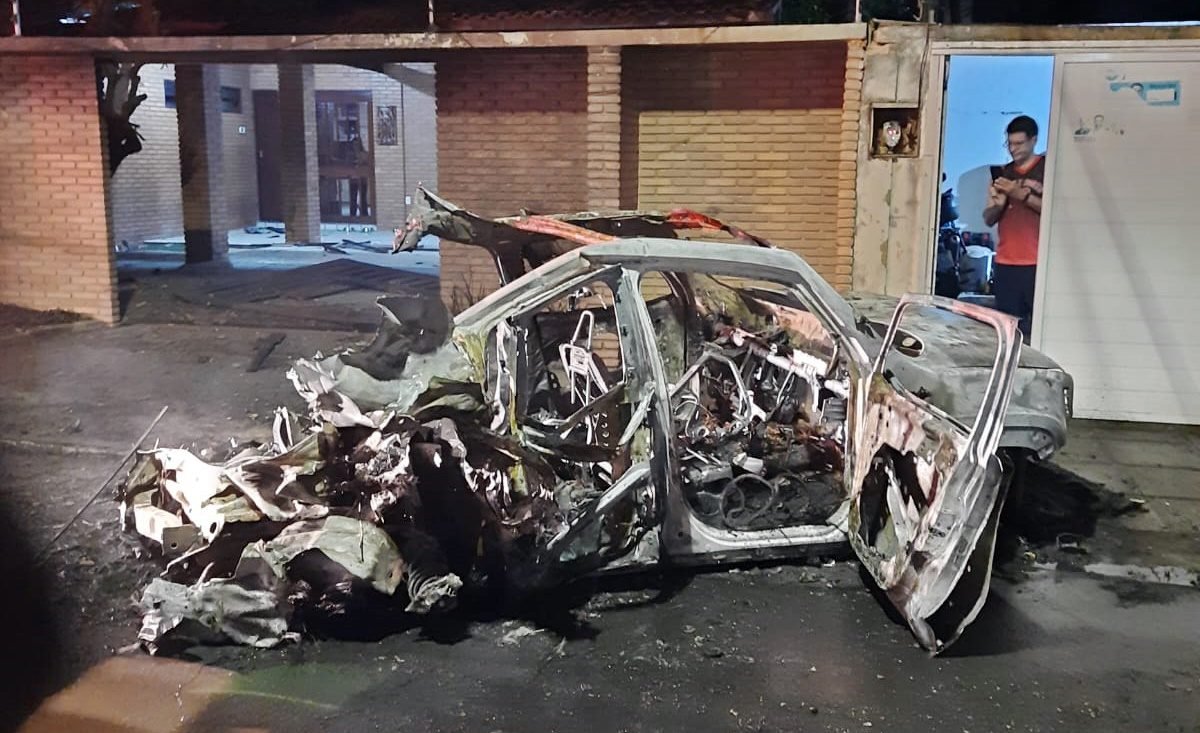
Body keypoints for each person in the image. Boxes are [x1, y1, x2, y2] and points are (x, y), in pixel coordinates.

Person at [983, 115, 1044, 343]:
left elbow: (1053, 211)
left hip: (1037, 262)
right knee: (1006, 332)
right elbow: (988, 219)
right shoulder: (1003, 173)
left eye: (1019, 143)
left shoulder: (1047, 170)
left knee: (1037, 330)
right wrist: (998, 205)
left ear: (1033, 140)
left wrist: (1021, 195)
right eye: (1009, 143)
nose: (1013, 149)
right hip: (1006, 262)